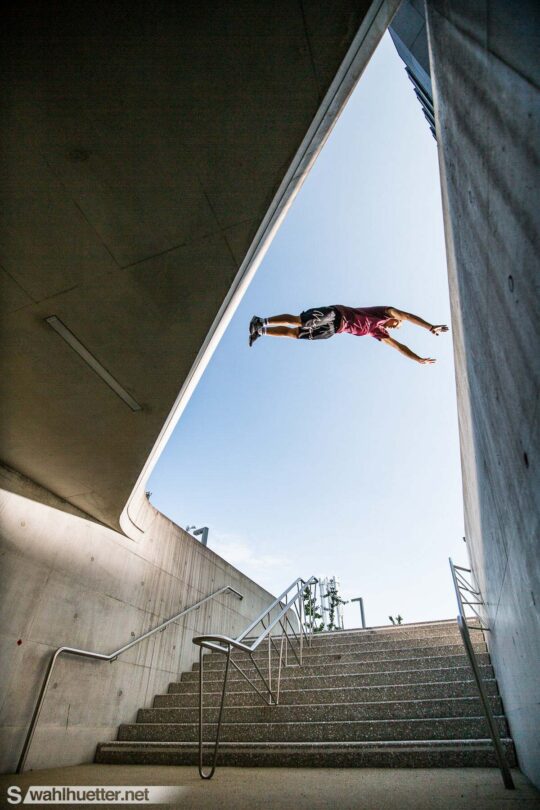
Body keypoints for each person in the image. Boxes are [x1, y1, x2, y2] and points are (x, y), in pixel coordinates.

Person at [249, 305, 449, 364]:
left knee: (295, 334)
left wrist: (417, 359)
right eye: (397, 325)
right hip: (336, 314)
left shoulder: (377, 332)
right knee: (300, 321)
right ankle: (262, 320)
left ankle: (260, 330)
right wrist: (429, 327)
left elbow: (398, 347)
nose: (395, 327)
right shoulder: (384, 312)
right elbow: (407, 316)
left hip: (333, 330)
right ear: (393, 318)